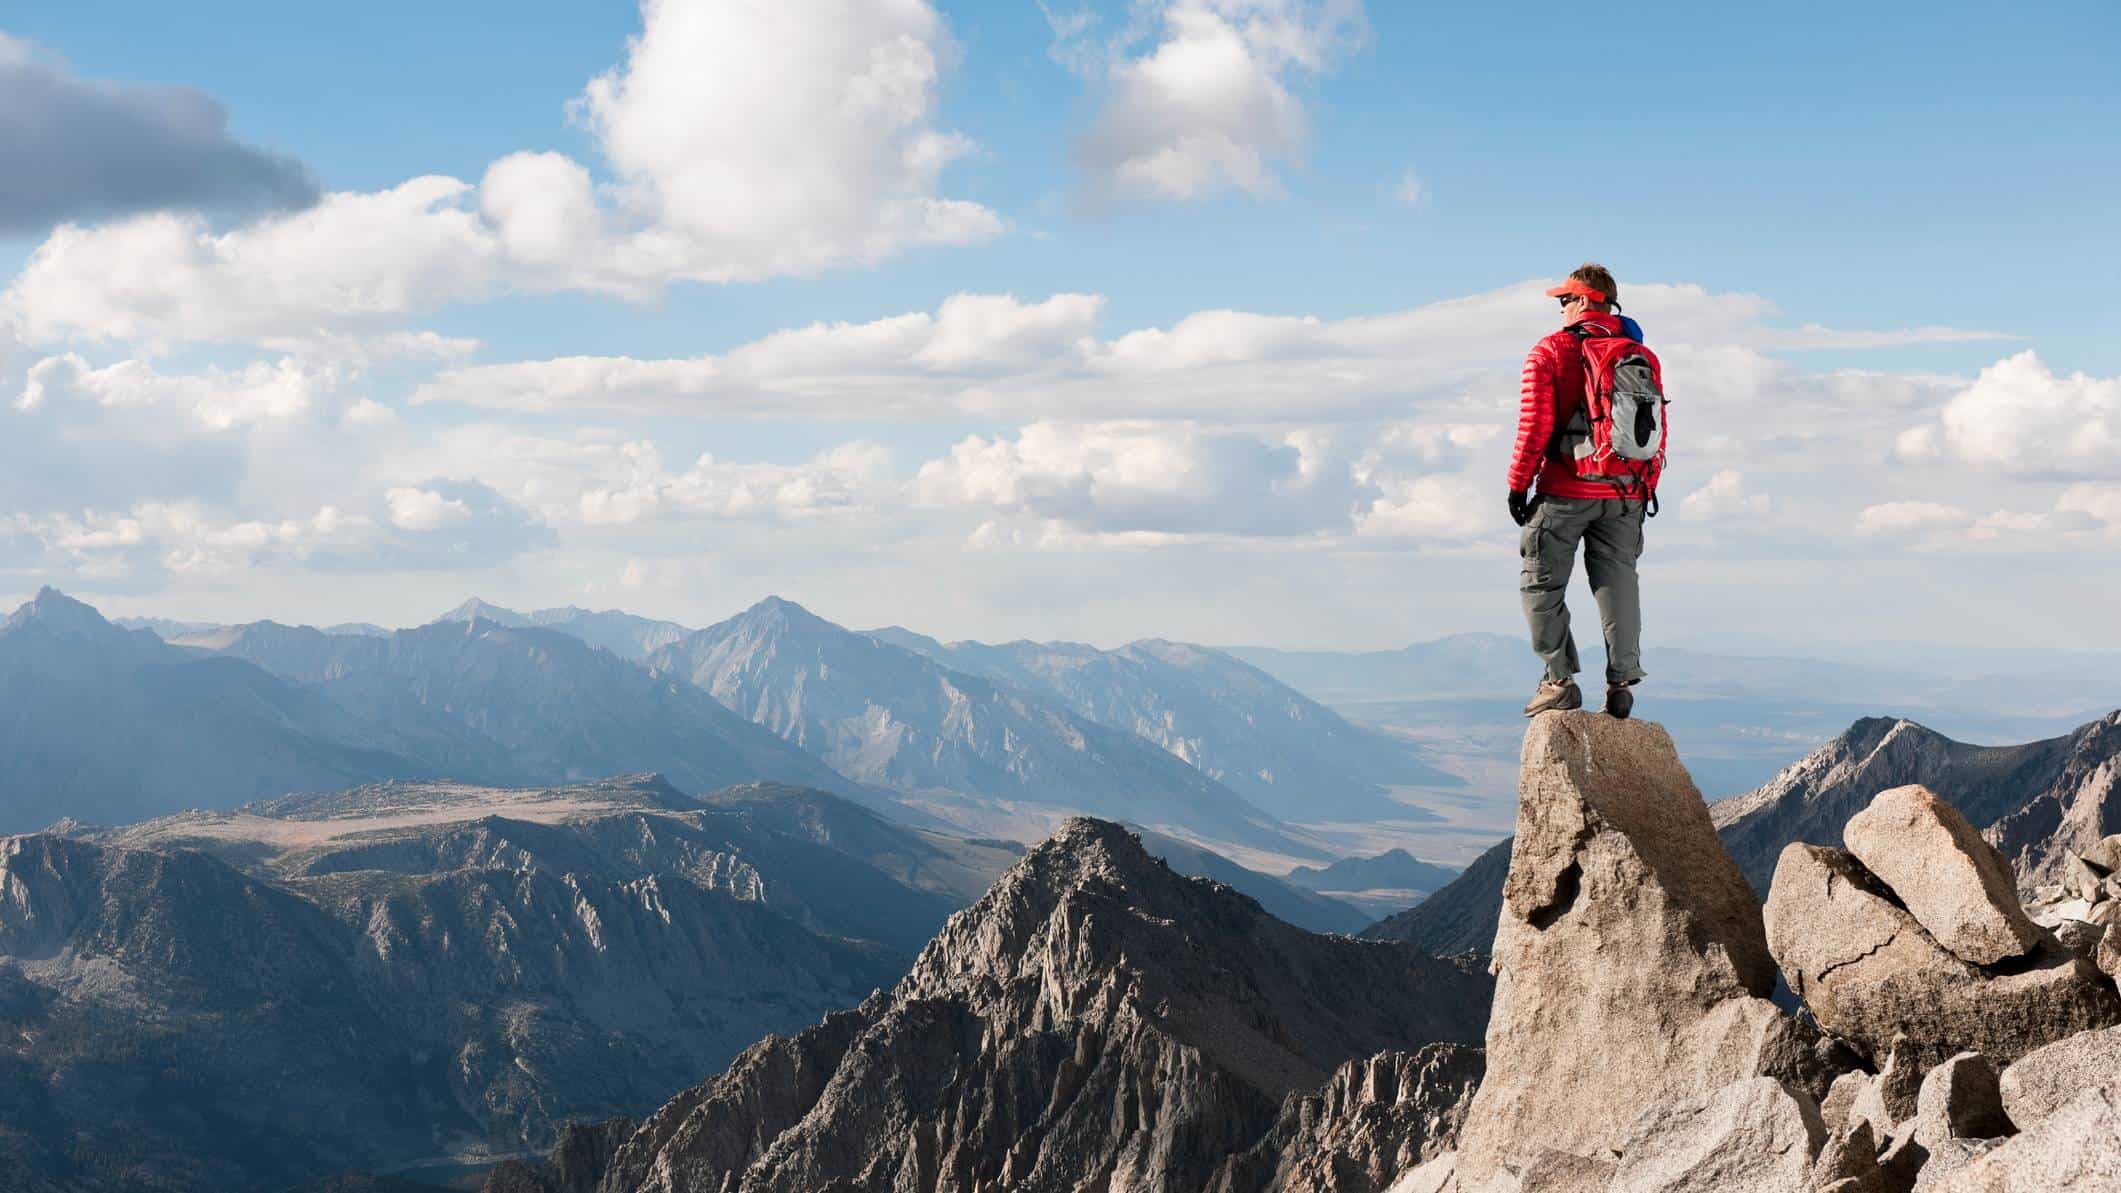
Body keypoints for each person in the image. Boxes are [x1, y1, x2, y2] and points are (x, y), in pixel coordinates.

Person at [1507, 262, 1660, 719]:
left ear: (1584, 301)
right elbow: (1655, 430)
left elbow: (1534, 425)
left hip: (1566, 491)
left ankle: (1558, 680)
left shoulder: (1550, 351)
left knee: (1541, 581)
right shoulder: (1641, 355)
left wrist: (1519, 484)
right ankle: (1621, 683)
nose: (1560, 309)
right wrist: (1643, 487)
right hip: (1626, 492)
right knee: (1619, 581)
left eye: (1564, 300)